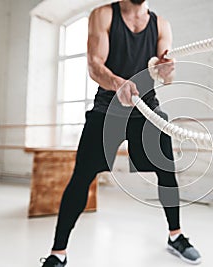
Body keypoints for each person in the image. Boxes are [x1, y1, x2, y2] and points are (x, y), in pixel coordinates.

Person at [40, 0, 201, 266]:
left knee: (167, 171)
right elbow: (94, 64)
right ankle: (58, 253)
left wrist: (167, 71)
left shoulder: (161, 24)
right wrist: (118, 83)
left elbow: (165, 76)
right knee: (81, 177)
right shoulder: (103, 15)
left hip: (147, 108)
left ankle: (176, 236)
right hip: (108, 108)